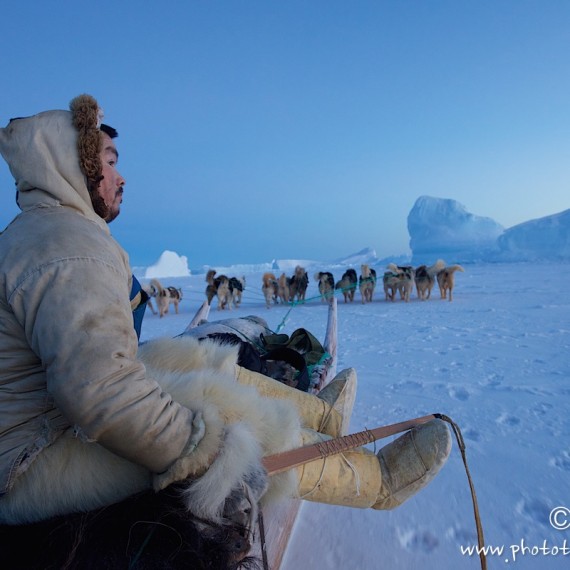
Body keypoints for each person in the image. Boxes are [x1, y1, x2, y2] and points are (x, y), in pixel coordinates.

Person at [0, 95, 451, 562]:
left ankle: (320, 421)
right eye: (110, 162)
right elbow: (98, 391)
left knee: (190, 358)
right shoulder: (67, 246)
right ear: (77, 165)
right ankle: (376, 481)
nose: (122, 176)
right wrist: (207, 450)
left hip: (45, 428)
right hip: (31, 464)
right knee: (222, 415)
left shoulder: (52, 231)